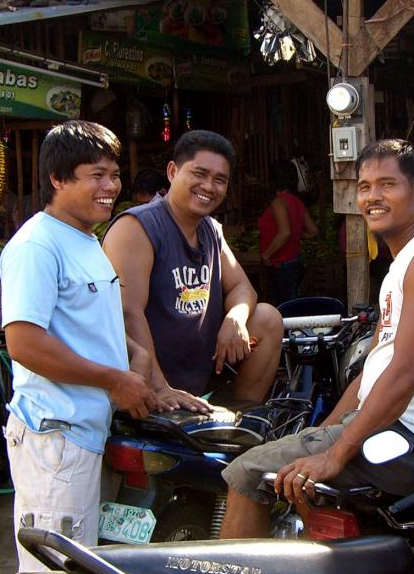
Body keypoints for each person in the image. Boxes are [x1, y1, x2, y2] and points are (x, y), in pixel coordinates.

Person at [219, 139, 414, 539]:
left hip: (413, 443)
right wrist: (325, 434)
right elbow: (373, 370)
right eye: (364, 187)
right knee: (294, 467)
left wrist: (336, 453)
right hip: (389, 429)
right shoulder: (406, 262)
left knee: (246, 471)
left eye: (386, 185)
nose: (372, 197)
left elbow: (405, 372)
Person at [0, 120, 160, 574]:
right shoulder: (36, 245)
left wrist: (135, 357)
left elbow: (85, 324)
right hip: (56, 439)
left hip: (88, 434)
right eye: (97, 175)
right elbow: (25, 343)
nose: (111, 187)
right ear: (57, 178)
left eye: (115, 174)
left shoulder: (86, 240)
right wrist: (113, 379)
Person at [103, 130, 282, 408]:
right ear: (173, 172)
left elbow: (242, 287)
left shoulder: (210, 229)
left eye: (219, 180)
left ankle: (242, 418)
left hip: (200, 373)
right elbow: (126, 313)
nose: (209, 186)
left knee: (267, 318)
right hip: (147, 380)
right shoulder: (137, 227)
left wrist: (234, 319)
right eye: (199, 174)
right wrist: (160, 387)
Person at [258, 159, 319, 305]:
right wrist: (297, 234)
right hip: (295, 263)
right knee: (291, 307)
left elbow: (285, 232)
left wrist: (266, 255)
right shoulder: (297, 202)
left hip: (282, 266)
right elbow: (313, 231)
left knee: (284, 310)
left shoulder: (279, 202)